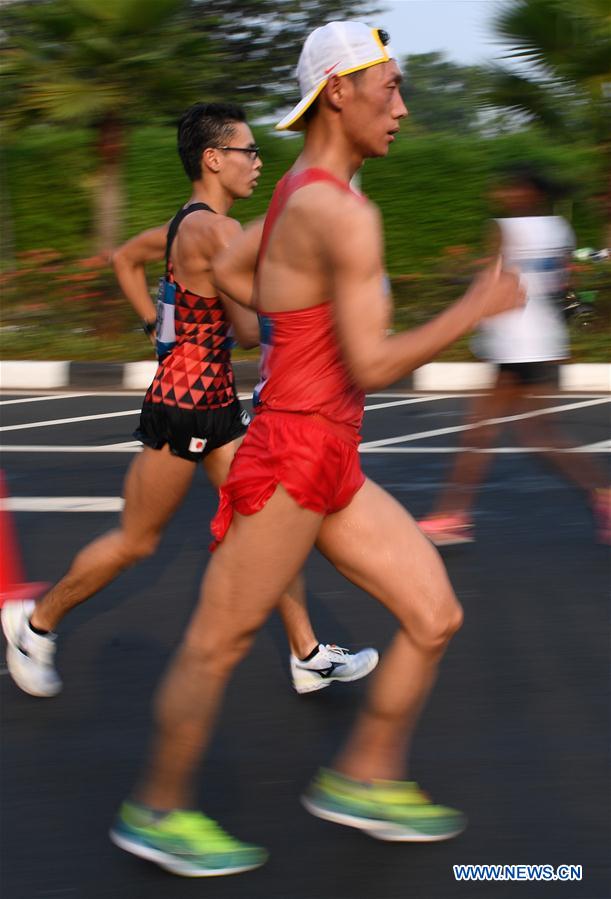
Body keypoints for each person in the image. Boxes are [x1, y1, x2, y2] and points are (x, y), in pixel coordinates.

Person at [109, 22, 523, 878]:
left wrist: (283, 332)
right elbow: (371, 361)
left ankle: (363, 774)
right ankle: (154, 810)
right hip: (292, 455)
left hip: (332, 453)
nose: (401, 108)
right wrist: (471, 308)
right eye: (391, 88)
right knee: (216, 642)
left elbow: (230, 277)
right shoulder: (339, 210)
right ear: (338, 90)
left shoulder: (299, 189)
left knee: (433, 614)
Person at [1, 101, 378, 699]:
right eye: (247, 151)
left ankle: (306, 653)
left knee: (261, 524)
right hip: (186, 409)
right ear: (213, 158)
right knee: (137, 541)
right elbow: (252, 329)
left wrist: (154, 322)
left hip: (211, 402)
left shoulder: (184, 223)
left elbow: (125, 259)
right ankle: (35, 625)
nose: (257, 162)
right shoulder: (221, 232)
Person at [418, 165, 611, 546]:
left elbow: (492, 282)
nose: (503, 194)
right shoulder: (560, 229)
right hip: (543, 343)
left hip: (513, 342)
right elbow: (564, 286)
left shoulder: (504, 229)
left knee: (483, 432)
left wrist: (464, 304)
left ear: (527, 192)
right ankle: (603, 495)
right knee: (537, 434)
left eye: (509, 188)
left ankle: (452, 515)